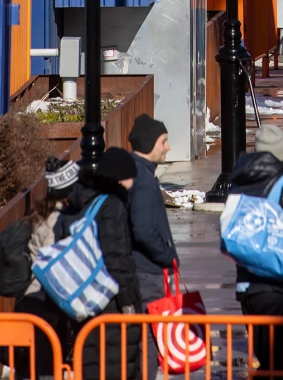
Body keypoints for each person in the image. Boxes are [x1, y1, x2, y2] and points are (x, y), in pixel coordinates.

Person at [227, 125, 283, 375]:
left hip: (247, 287)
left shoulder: (239, 184)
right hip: (279, 287)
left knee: (268, 358)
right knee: (280, 358)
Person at [56, 148, 142, 380]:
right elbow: (116, 257)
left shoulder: (75, 204)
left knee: (90, 364)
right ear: (120, 178)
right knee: (117, 365)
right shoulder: (111, 206)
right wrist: (128, 303)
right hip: (110, 304)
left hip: (82, 300)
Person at [18, 158, 81, 378]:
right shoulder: (58, 219)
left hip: (34, 298)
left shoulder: (41, 213)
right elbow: (53, 267)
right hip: (46, 301)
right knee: (46, 366)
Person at [126, 113, 177, 378]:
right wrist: (168, 256)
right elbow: (144, 230)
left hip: (142, 272)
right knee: (150, 341)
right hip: (148, 273)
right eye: (163, 141)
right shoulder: (144, 182)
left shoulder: (137, 175)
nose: (168, 148)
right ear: (149, 144)